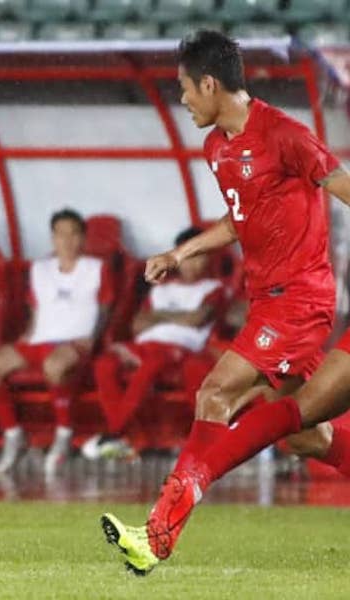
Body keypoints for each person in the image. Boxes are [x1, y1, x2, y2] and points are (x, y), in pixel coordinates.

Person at [101, 30, 350, 575]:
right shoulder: (218, 147)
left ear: (210, 84)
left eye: (186, 89)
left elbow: (343, 185)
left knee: (214, 393)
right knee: (304, 436)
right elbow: (243, 218)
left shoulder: (286, 136)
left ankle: (158, 532)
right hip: (267, 301)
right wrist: (181, 251)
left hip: (300, 299)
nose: (184, 99)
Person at [0, 208, 114, 476]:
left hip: (76, 340)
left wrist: (93, 338)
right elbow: (36, 309)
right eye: (60, 234)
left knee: (54, 366)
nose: (67, 240)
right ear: (52, 237)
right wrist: (27, 334)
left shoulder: (97, 269)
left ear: (83, 238)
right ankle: (13, 434)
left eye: (73, 234)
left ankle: (64, 433)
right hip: (41, 339)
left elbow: (105, 308)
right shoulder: (40, 269)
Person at [84, 226, 224, 460]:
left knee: (150, 366)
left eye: (198, 258)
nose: (192, 264)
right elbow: (137, 324)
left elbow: (196, 319)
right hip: (145, 344)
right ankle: (125, 436)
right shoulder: (162, 288)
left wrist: (159, 316)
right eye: (188, 257)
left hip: (180, 347)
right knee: (104, 364)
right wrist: (176, 316)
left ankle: (115, 433)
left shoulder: (213, 289)